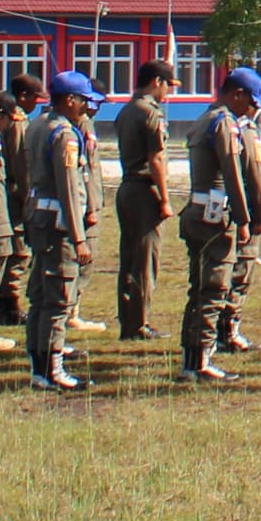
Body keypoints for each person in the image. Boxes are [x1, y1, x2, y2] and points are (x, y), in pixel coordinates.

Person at [180, 68, 261, 383]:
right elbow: (232, 173)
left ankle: (192, 357)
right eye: (251, 101)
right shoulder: (224, 124)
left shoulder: (207, 118)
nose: (253, 108)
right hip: (215, 217)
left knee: (200, 288)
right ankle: (199, 360)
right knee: (214, 288)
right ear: (236, 94)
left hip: (198, 211)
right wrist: (245, 219)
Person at [19, 73, 99, 390]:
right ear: (69, 100)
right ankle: (52, 369)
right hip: (58, 224)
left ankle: (39, 367)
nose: (84, 107)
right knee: (57, 299)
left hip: (39, 218)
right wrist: (79, 238)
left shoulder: (38, 124)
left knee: (40, 296)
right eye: (82, 101)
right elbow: (68, 186)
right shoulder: (65, 134)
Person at [113, 68, 175, 342]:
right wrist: (165, 199)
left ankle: (128, 318)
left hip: (127, 187)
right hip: (143, 189)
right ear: (156, 82)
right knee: (145, 260)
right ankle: (138, 323)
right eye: (167, 85)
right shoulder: (151, 113)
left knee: (129, 257)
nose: (168, 92)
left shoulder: (126, 110)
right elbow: (157, 158)